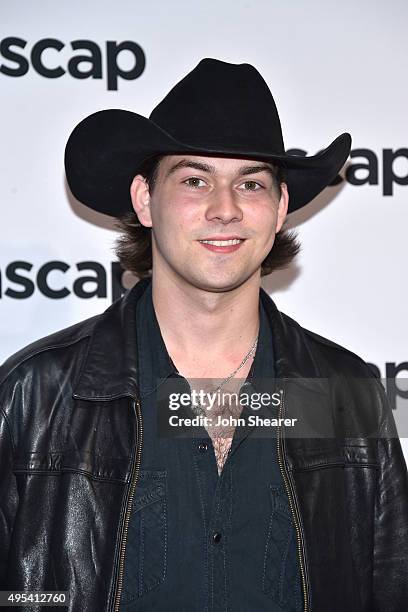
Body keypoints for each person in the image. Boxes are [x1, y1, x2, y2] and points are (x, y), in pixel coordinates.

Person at [1, 58, 407, 612]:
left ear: (280, 207)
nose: (226, 209)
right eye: (195, 180)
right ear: (145, 199)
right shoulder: (34, 396)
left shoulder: (345, 396)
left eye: (252, 183)